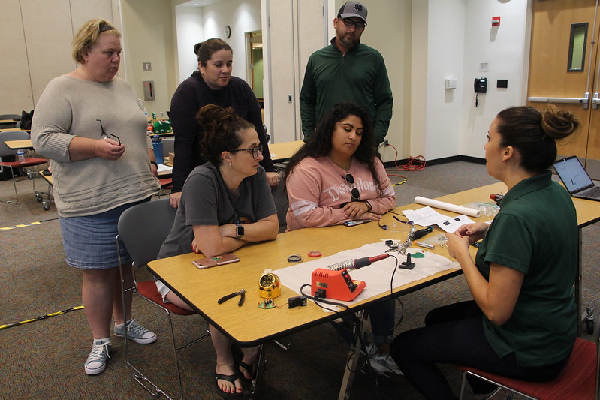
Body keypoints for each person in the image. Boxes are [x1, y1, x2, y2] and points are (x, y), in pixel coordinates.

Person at [390, 106, 580, 399]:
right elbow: (538, 239)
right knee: (437, 318)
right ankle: (483, 385)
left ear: (507, 152)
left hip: (531, 350)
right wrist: (491, 230)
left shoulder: (516, 217)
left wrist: (462, 254)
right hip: (555, 329)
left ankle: (488, 378)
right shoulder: (553, 192)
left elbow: (497, 311)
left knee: (403, 347)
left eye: (489, 137)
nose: (484, 145)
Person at [31, 19, 159, 376]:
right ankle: (100, 339)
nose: (116, 59)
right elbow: (42, 139)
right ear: (86, 52)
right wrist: (94, 147)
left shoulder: (123, 86)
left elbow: (139, 129)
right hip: (90, 202)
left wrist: (148, 161)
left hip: (133, 195)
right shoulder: (62, 88)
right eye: (109, 52)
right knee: (98, 274)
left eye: (119, 52)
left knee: (125, 268)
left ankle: (124, 323)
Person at [155, 104, 279, 397]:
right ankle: (225, 359)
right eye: (252, 150)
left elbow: (273, 228)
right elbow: (211, 248)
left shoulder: (256, 174)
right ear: (227, 156)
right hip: (175, 269)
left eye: (259, 148)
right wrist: (247, 234)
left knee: (261, 280)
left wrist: (231, 231)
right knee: (220, 291)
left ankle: (248, 352)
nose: (260, 156)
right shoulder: (201, 180)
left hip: (233, 260)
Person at [284, 102, 398, 374]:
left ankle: (382, 347)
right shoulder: (307, 168)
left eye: (359, 132)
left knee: (389, 278)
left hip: (360, 240)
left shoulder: (370, 161)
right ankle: (357, 345)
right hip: (313, 247)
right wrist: (351, 215)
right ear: (330, 129)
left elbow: (390, 198)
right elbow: (306, 217)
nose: (353, 137)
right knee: (342, 290)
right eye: (347, 129)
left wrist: (368, 206)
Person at [168, 38, 279, 209]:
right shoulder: (187, 92)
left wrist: (268, 168)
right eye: (218, 65)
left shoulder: (240, 88)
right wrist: (178, 187)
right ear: (202, 66)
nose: (225, 70)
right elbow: (184, 143)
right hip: (205, 175)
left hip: (241, 173)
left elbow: (258, 134)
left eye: (229, 64)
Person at [300, 1, 393, 145]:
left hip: (361, 143)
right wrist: (309, 135)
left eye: (358, 25)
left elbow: (385, 101)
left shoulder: (373, 59)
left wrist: (376, 137)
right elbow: (307, 100)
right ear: (336, 22)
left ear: (363, 29)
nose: (352, 29)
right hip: (325, 142)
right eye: (348, 22)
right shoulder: (317, 59)